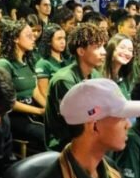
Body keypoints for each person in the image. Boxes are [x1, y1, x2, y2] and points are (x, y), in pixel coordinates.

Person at [45, 23, 108, 151]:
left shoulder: (95, 74)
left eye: (103, 46)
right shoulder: (64, 80)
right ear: (81, 51)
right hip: (65, 143)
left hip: (88, 134)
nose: (104, 52)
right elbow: (81, 116)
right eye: (97, 47)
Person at [0, 20, 45, 148]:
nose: (33, 38)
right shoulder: (4, 64)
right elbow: (7, 101)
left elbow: (34, 91)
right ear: (15, 39)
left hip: (33, 111)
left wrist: (48, 108)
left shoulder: (28, 61)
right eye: (28, 35)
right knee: (48, 135)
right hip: (15, 117)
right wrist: (39, 111)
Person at [35, 24, 69, 100]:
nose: (63, 42)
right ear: (49, 41)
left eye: (64, 38)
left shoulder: (68, 61)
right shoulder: (43, 64)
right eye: (59, 39)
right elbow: (45, 93)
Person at [102, 34, 134, 99]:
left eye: (130, 50)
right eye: (122, 47)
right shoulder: (99, 74)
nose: (127, 53)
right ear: (112, 48)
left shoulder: (125, 77)